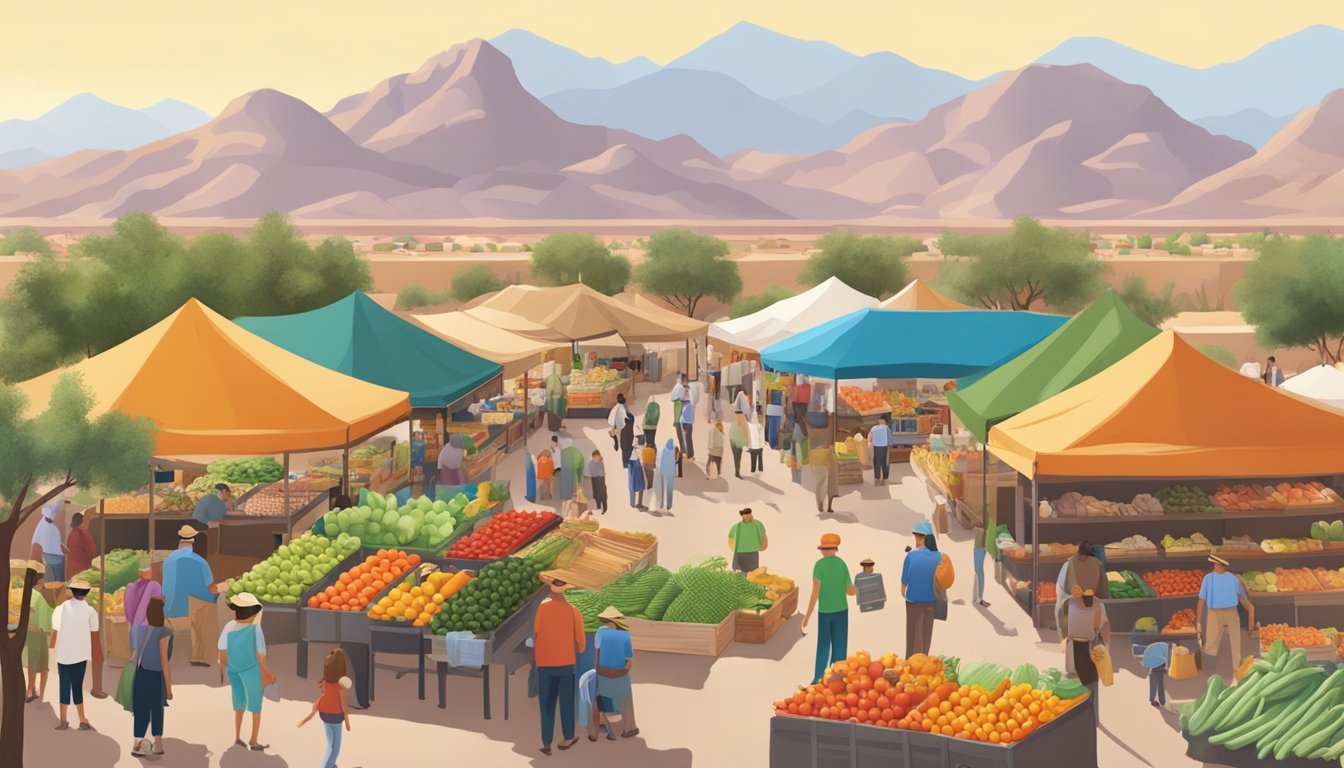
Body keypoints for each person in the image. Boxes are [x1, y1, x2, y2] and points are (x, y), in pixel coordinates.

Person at [534, 576, 585, 755]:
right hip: (566, 663)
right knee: (566, 703)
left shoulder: (542, 609)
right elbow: (581, 641)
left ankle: (546, 742)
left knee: (546, 704)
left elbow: (536, 631)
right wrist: (577, 649)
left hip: (545, 663)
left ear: (550, 589)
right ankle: (568, 738)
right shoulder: (574, 611)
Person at [219, 592, 276, 751]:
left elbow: (222, 654)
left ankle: (237, 736)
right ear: (253, 613)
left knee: (239, 703)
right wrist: (269, 674)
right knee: (255, 705)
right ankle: (253, 740)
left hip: (233, 671)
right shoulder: (255, 629)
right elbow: (261, 656)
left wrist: (229, 666)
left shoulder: (228, 627)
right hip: (251, 671)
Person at [164, 525, 220, 667]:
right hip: (191, 612)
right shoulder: (200, 562)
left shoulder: (168, 560)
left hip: (168, 611)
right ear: (193, 541)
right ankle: (200, 656)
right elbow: (211, 587)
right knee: (210, 605)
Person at [802, 533, 854, 683]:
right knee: (840, 644)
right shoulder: (842, 564)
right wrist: (865, 585)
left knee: (824, 645)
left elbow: (815, 593)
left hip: (825, 612)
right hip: (842, 611)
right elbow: (850, 591)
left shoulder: (819, 565)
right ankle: (838, 679)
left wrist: (808, 615)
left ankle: (818, 678)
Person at [50, 579, 98, 731]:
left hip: (64, 654)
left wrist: (51, 646)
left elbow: (54, 633)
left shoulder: (60, 609)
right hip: (80, 655)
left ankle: (63, 721)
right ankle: (82, 720)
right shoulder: (91, 612)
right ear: (86, 593)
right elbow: (94, 634)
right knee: (77, 686)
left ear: (71, 591)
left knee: (64, 686)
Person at [130, 596, 173, 758]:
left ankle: (138, 743)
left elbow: (134, 654)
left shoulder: (140, 630)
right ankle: (158, 743)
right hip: (155, 675)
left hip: (140, 673)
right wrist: (169, 688)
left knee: (141, 707)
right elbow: (164, 661)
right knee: (156, 708)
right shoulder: (165, 632)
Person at [1197, 555, 1257, 668]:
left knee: (1217, 641)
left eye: (1215, 564)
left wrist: (1250, 624)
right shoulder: (1227, 578)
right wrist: (1250, 625)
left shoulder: (1212, 578)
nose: (1215, 566)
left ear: (1218, 564)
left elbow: (1201, 600)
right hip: (1220, 612)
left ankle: (1222, 666)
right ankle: (1221, 666)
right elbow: (1248, 605)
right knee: (1216, 641)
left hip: (1223, 612)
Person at [1061, 586, 1110, 723]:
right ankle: (1086, 719)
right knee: (1080, 684)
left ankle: (1091, 718)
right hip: (1077, 647)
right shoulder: (1070, 604)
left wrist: (1106, 648)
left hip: (1088, 648)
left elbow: (1105, 627)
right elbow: (1105, 627)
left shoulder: (1098, 607)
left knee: (1088, 684)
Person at [299, 648, 353, 768]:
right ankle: (327, 766)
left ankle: (331, 765)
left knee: (330, 742)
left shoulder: (325, 681)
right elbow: (343, 705)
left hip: (323, 713)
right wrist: (347, 722)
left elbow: (319, 685)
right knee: (335, 748)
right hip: (336, 716)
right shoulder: (340, 686)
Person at [591, 606, 639, 740]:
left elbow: (597, 652)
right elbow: (628, 656)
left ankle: (611, 732)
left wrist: (597, 668)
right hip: (621, 672)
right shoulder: (625, 635)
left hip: (603, 671)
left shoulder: (600, 632)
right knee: (625, 700)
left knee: (606, 700)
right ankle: (629, 728)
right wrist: (628, 666)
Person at [901, 521, 942, 658]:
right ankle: (923, 660)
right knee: (926, 633)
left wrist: (903, 593)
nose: (916, 540)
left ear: (924, 538)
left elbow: (904, 582)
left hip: (913, 600)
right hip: (931, 600)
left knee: (912, 633)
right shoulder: (939, 557)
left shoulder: (911, 556)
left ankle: (910, 661)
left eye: (918, 537)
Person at [1054, 542, 1108, 631]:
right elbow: (1103, 591)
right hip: (1085, 605)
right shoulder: (1098, 564)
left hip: (1076, 605)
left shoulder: (1069, 564)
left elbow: (1062, 588)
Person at [124, 556, 163, 653]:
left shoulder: (130, 587)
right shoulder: (154, 586)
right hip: (148, 631)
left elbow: (128, 611)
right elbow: (158, 612)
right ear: (150, 570)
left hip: (133, 631)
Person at [24, 585, 54, 703]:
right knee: (42, 663)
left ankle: (31, 691)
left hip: (35, 631)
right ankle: (38, 693)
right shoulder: (40, 596)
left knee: (34, 659)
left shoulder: (31, 595)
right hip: (39, 632)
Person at [191, 482, 232, 555]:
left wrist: (228, 507)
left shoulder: (222, 503)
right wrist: (208, 522)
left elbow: (220, 517)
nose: (229, 496)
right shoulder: (208, 499)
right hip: (200, 526)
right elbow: (198, 515)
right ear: (224, 491)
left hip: (213, 529)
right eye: (228, 493)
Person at [728, 507, 768, 573]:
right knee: (738, 571)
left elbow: (762, 534)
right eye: (745, 515)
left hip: (752, 552)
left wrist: (763, 545)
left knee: (752, 571)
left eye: (748, 514)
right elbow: (730, 537)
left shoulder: (757, 524)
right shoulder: (737, 526)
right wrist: (733, 548)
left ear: (751, 514)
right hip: (739, 552)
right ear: (742, 516)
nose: (747, 516)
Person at [32, 505, 65, 582]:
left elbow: (55, 543)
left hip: (55, 558)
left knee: (56, 582)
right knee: (53, 581)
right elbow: (40, 544)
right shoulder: (44, 527)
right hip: (49, 558)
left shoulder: (52, 528)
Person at [64, 512, 96, 580]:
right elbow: (92, 552)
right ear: (83, 521)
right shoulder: (83, 533)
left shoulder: (72, 534)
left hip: (71, 571)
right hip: (81, 572)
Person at [809, 441, 839, 514]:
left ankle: (819, 505)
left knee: (817, 486)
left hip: (815, 464)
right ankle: (822, 505)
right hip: (822, 465)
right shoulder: (829, 449)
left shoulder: (814, 448)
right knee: (823, 486)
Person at [1141, 641, 1171, 708]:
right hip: (1156, 669)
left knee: (1156, 685)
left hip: (1154, 669)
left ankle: (1158, 700)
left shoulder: (1155, 653)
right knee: (1159, 685)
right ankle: (1161, 701)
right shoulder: (1161, 655)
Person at [653, 438, 677, 513]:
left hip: (660, 469)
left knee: (659, 487)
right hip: (669, 471)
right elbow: (675, 461)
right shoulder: (673, 450)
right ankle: (668, 505)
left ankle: (659, 504)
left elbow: (657, 459)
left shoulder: (661, 449)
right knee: (669, 488)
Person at [869, 415, 892, 486]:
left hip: (880, 446)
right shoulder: (881, 428)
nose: (880, 421)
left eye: (882, 420)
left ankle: (880, 478)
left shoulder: (882, 428)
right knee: (882, 463)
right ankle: (881, 478)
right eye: (880, 420)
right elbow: (871, 435)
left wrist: (870, 442)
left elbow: (870, 436)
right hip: (880, 446)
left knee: (879, 462)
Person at [972, 524, 989, 608]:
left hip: (980, 545)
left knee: (978, 571)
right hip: (980, 544)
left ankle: (979, 598)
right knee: (978, 571)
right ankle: (978, 598)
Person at [678, 379, 696, 460]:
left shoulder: (689, 398)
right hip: (686, 421)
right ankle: (689, 454)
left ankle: (690, 454)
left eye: (686, 386)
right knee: (687, 438)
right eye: (684, 386)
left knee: (688, 438)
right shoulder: (685, 397)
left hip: (687, 422)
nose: (686, 388)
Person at [586, 450, 608, 514]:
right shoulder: (590, 463)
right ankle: (599, 508)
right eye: (597, 457)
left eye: (599, 457)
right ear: (594, 457)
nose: (598, 458)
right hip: (595, 479)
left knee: (603, 495)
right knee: (597, 495)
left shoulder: (601, 462)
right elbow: (589, 474)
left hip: (601, 479)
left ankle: (605, 508)